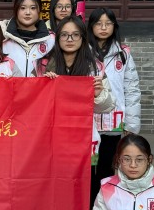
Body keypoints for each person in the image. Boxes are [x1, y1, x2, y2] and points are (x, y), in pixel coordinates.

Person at [41, 15, 115, 173]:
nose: (70, 39)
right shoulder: (43, 65)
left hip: (84, 137)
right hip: (50, 138)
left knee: (84, 183)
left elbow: (108, 107)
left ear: (83, 38)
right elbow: (33, 104)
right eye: (64, 35)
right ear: (58, 38)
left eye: (75, 35)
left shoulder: (95, 67)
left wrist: (98, 94)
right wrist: (43, 85)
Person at [88, 7, 141, 200]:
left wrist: (132, 125)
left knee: (107, 170)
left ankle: (104, 209)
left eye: (108, 24)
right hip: (89, 123)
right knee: (88, 171)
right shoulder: (83, 51)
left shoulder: (123, 53)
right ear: (91, 26)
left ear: (114, 27)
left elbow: (132, 89)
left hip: (113, 123)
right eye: (98, 23)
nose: (103, 28)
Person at [2, 0, 55, 77]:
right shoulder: (3, 36)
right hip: (9, 85)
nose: (28, 12)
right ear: (16, 10)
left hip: (40, 86)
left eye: (33, 8)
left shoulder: (51, 39)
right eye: (23, 8)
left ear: (39, 11)